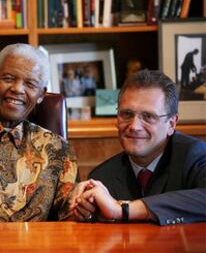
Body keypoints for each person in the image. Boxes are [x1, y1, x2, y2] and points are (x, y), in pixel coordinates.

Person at [0, 43, 79, 222]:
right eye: (8, 78)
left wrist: (85, 203)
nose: (17, 89)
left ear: (41, 95)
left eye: (30, 84)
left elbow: (70, 212)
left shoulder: (58, 149)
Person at [72, 70, 206, 225]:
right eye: (127, 114)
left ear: (171, 124)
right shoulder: (103, 176)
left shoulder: (194, 155)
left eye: (148, 116)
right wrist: (87, 212)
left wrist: (123, 209)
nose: (134, 126)